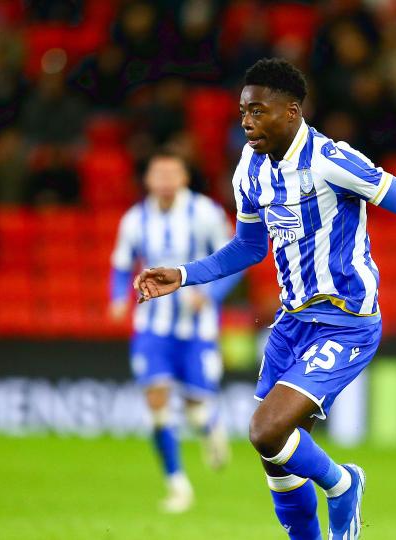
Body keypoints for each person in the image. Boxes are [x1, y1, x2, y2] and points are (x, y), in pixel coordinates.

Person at [134, 58, 396, 539]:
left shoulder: (331, 160)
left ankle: (343, 484)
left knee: (264, 430)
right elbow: (248, 247)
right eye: (243, 112)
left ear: (291, 111)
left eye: (258, 111)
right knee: (276, 459)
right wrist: (185, 274)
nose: (246, 122)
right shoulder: (249, 168)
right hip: (291, 322)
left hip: (346, 321)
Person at [109, 148, 240, 513]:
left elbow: (236, 260)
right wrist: (118, 297)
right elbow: (121, 265)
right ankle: (177, 484)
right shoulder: (135, 219)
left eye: (172, 174)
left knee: (196, 406)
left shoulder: (205, 213)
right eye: (159, 175)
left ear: (184, 178)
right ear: (148, 180)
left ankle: (210, 425)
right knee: (156, 401)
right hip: (152, 328)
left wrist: (210, 294)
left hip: (197, 329)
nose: (165, 181)